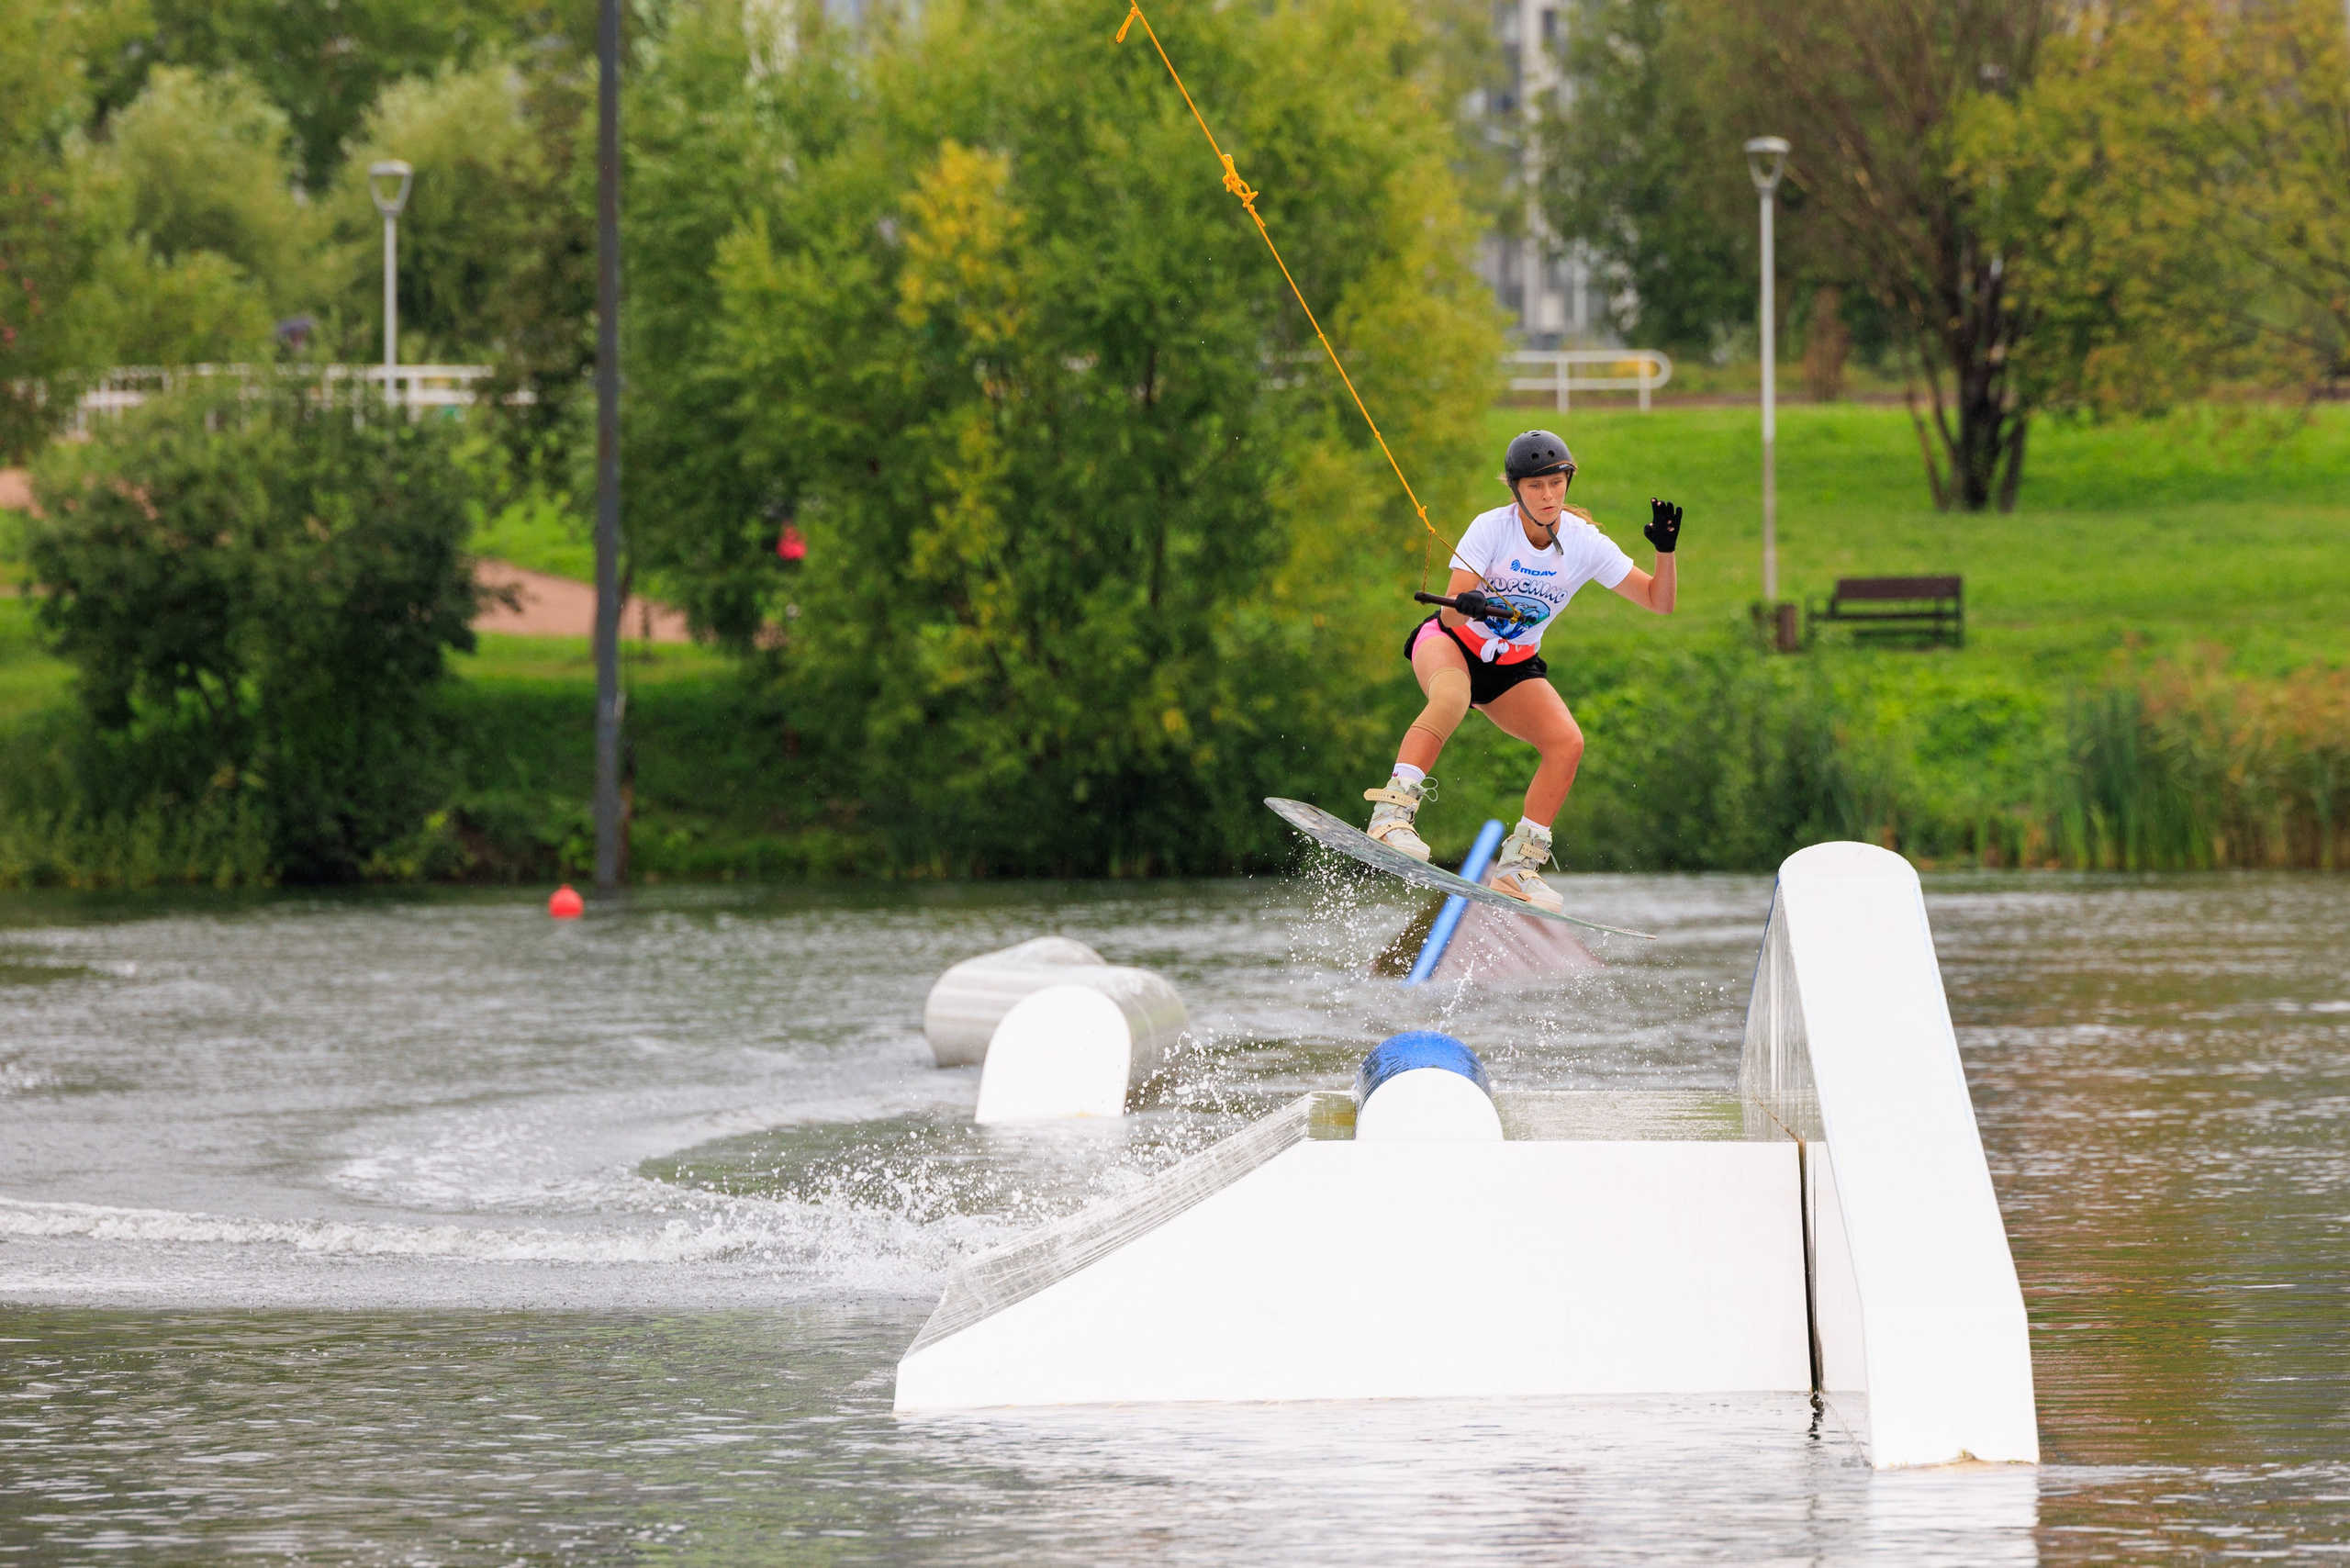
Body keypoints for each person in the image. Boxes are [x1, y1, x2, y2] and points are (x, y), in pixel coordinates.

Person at [1362, 430, 1681, 913]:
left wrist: (1665, 551)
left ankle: (1517, 869)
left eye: (1556, 482)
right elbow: (1449, 615)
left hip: (1511, 667)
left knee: (1566, 743)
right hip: (1451, 644)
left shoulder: (1584, 544)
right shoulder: (1492, 528)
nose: (1548, 495)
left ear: (1567, 482)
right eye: (1535, 486)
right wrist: (1469, 604)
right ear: (1515, 489)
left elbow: (1660, 602)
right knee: (1449, 698)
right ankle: (1392, 813)